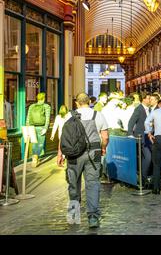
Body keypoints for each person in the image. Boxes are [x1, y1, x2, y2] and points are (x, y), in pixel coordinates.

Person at [58, 93, 109, 229]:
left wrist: (60, 154)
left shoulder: (70, 116)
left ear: (76, 103)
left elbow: (64, 137)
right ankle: (92, 217)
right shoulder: (98, 115)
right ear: (89, 102)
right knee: (93, 184)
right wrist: (103, 148)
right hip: (93, 154)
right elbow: (105, 137)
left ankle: (73, 214)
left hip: (74, 156)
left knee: (73, 184)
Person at [127, 92, 153, 181]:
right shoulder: (139, 109)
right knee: (148, 157)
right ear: (144, 99)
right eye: (149, 98)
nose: (150, 100)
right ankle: (143, 178)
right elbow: (131, 121)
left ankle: (143, 176)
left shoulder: (149, 109)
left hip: (148, 137)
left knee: (146, 158)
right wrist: (130, 134)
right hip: (140, 137)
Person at [26, 92, 51, 167]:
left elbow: (28, 118)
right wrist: (46, 128)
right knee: (40, 144)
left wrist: (28, 127)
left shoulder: (31, 106)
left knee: (34, 143)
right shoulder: (46, 106)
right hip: (41, 127)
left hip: (32, 127)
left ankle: (34, 158)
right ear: (44, 98)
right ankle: (35, 159)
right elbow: (47, 118)